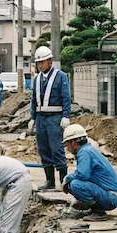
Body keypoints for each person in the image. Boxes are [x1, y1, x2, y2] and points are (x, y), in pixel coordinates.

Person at [28, 46, 71, 191]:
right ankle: (50, 181)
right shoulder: (37, 78)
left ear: (50, 61)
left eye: (43, 62)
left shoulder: (61, 76)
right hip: (41, 118)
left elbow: (66, 98)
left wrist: (66, 116)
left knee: (57, 149)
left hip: (54, 118)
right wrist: (32, 117)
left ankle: (64, 182)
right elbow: (33, 99)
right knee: (43, 149)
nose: (40, 65)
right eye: (38, 62)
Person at [61, 124, 117, 222]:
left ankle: (99, 212)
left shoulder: (84, 152)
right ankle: (92, 209)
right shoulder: (87, 150)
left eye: (67, 144)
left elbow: (83, 175)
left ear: (73, 143)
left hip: (110, 197)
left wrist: (67, 178)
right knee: (73, 183)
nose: (67, 148)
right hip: (109, 195)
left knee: (75, 184)